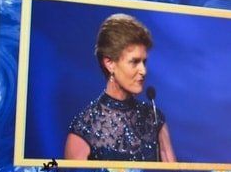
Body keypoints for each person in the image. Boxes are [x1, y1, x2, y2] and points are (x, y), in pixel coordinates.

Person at [65, 13, 176, 162]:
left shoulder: (154, 118)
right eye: (134, 62)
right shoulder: (85, 129)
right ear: (110, 63)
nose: (143, 70)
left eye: (144, 62)